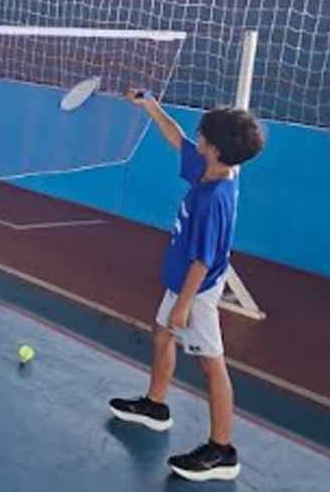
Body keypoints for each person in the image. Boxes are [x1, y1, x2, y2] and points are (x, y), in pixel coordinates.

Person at [110, 90, 264, 482]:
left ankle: (222, 450)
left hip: (197, 291)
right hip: (182, 284)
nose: (195, 139)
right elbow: (176, 137)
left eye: (202, 136)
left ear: (211, 148)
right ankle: (156, 405)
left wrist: (185, 304)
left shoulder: (215, 197)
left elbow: (205, 259)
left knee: (211, 365)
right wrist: (150, 105)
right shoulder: (211, 168)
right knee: (161, 334)